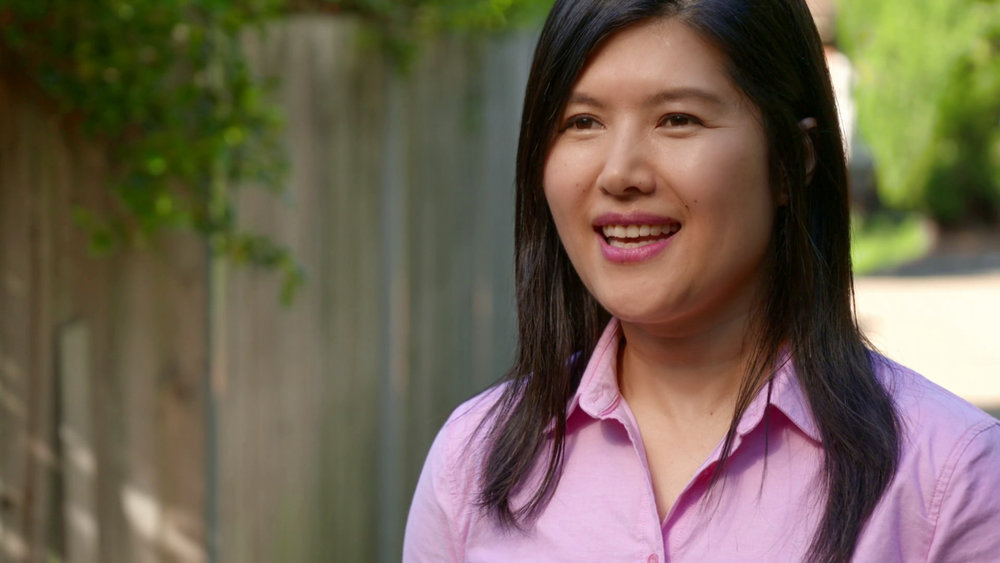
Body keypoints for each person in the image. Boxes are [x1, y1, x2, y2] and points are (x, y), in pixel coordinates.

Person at [404, 1, 1000, 561]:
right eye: (583, 121)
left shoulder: (948, 479)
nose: (620, 173)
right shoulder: (471, 465)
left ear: (792, 159)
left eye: (677, 119)